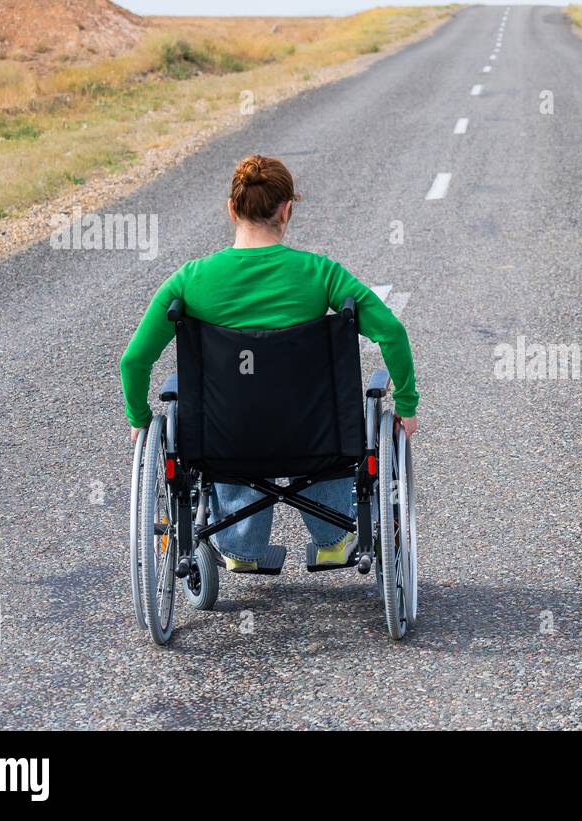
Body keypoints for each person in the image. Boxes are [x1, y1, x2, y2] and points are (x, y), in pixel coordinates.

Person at [119, 155, 418, 574]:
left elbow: (134, 360)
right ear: (287, 209)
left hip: (223, 443)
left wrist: (139, 417)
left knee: (230, 414)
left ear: (231, 210)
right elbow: (391, 333)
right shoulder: (320, 274)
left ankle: (240, 547)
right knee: (322, 414)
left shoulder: (189, 280)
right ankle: (335, 540)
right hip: (317, 442)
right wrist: (406, 403)